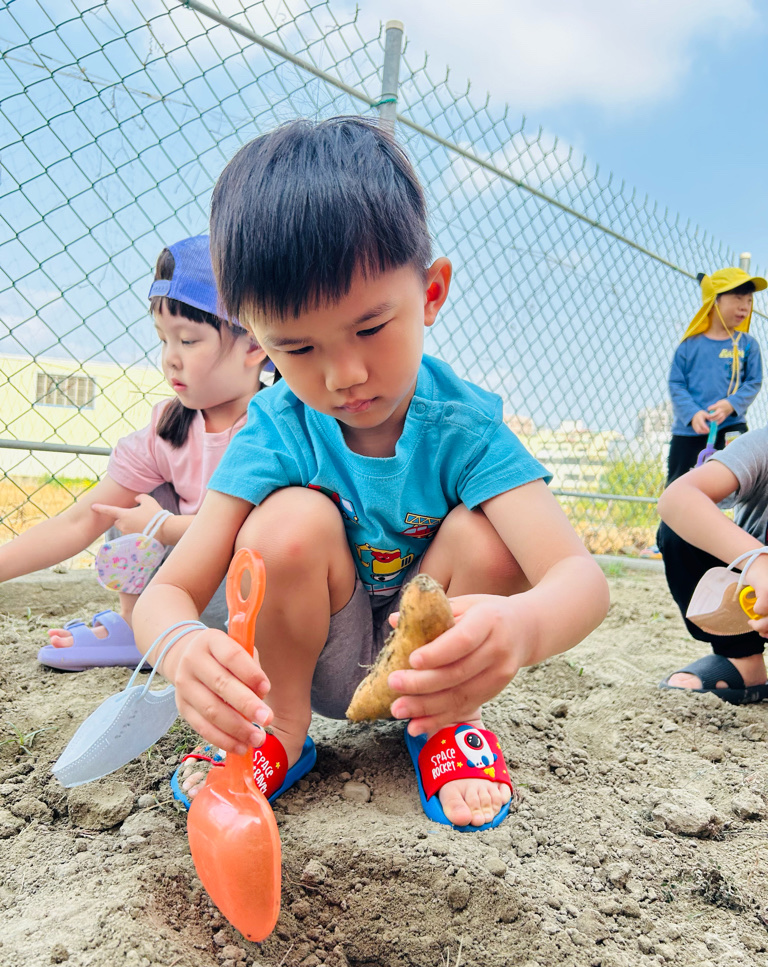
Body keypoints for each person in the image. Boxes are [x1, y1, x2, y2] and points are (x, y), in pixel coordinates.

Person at [133, 116, 609, 832]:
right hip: (307, 658)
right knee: (287, 521)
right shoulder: (277, 428)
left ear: (432, 293)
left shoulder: (463, 426)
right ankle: (277, 730)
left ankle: (444, 725)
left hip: (434, 668)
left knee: (490, 533)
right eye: (298, 348)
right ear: (258, 343)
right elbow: (168, 591)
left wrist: (523, 627)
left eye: (370, 328)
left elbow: (581, 580)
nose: (344, 375)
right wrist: (182, 650)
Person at [0, 235, 269, 670]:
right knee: (127, 501)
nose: (170, 359)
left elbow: (261, 533)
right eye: (163, 340)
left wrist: (163, 526)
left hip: (252, 606)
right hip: (175, 600)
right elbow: (81, 519)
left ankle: (179, 634)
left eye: (188, 340)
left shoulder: (274, 425)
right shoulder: (169, 427)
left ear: (254, 345)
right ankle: (136, 626)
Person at [657, 426, 768, 703]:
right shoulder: (762, 445)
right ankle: (742, 658)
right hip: (754, 596)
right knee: (680, 529)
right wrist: (758, 563)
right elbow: (678, 498)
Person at [665, 267, 765, 484]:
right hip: (689, 430)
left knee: (734, 486)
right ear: (715, 300)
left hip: (731, 427)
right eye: (738, 298)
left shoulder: (748, 345)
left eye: (749, 300)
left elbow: (754, 381)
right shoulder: (689, 346)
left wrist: (730, 405)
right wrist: (693, 414)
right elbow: (676, 383)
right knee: (679, 486)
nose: (745, 306)